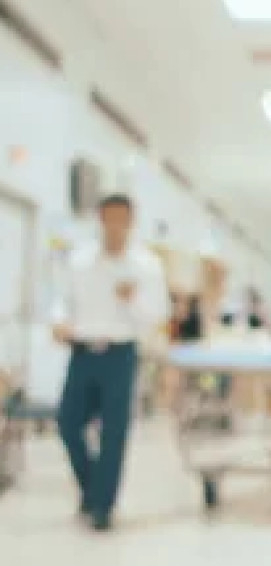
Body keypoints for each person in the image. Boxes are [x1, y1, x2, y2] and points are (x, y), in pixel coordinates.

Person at [52, 194, 169, 531]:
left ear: (130, 222)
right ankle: (92, 488)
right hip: (83, 351)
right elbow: (62, 301)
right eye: (109, 218)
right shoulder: (79, 261)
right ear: (100, 219)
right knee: (68, 423)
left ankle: (103, 506)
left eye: (122, 219)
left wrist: (133, 299)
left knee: (114, 431)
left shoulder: (146, 266)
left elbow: (157, 316)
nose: (115, 226)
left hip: (120, 353)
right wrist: (58, 322)